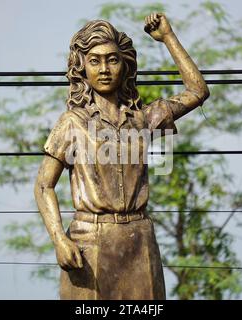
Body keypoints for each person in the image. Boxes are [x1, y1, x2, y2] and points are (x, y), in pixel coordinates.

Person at [34, 13, 209, 299]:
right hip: (89, 243)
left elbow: (198, 91)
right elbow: (43, 185)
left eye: (112, 60)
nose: (104, 69)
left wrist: (167, 37)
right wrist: (58, 239)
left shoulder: (144, 120)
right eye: (94, 60)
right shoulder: (72, 122)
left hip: (139, 241)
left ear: (125, 66)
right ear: (82, 69)